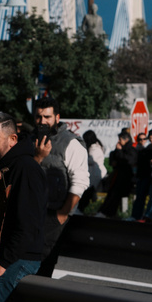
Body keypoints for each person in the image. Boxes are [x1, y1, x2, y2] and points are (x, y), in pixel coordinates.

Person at [0, 111, 47, 302]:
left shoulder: (25, 169)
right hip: (4, 255)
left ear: (12, 139)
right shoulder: (2, 167)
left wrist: (1, 265)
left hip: (19, 259)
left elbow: (27, 225)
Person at [32, 96, 88, 269]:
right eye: (39, 117)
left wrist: (62, 214)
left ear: (57, 117)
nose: (42, 121)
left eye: (47, 117)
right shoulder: (30, 139)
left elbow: (80, 182)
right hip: (31, 211)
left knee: (42, 264)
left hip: (53, 213)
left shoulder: (70, 143)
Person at [98, 131, 137, 218]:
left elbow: (127, 161)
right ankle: (107, 212)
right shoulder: (121, 149)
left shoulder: (130, 150)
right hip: (118, 176)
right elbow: (114, 160)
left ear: (126, 139)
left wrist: (119, 152)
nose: (119, 141)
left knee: (115, 196)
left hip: (125, 177)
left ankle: (108, 212)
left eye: (120, 139)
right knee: (112, 195)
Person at [79, 130, 106, 212]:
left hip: (96, 173)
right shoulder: (95, 147)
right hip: (94, 173)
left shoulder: (95, 149)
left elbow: (90, 160)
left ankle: (85, 208)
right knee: (92, 192)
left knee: (90, 191)